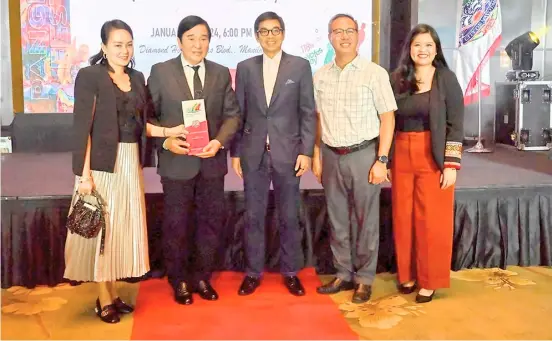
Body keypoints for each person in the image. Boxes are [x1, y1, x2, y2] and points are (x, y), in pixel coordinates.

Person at [65, 19, 187, 324]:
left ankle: (114, 291)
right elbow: (84, 128)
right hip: (101, 165)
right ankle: (103, 298)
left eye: (129, 44)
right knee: (102, 231)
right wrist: (83, 175)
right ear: (104, 47)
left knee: (119, 229)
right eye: (117, 45)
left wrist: (169, 131)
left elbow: (139, 125)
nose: (124, 50)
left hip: (130, 162)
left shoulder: (137, 76)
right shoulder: (90, 76)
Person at [147, 15, 241, 305]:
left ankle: (202, 276)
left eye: (203, 38)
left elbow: (232, 115)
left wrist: (219, 142)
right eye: (191, 38)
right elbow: (147, 117)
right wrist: (165, 141)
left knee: (210, 223)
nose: (198, 44)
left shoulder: (220, 72)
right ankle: (179, 280)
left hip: (211, 163)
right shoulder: (161, 72)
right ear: (179, 42)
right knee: (177, 224)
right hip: (177, 165)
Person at [230, 12, 316, 296]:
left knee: (289, 216)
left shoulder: (300, 66)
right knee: (253, 216)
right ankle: (253, 272)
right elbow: (238, 114)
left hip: (289, 154)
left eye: (275, 30)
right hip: (253, 154)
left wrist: (306, 151)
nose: (270, 36)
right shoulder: (245, 68)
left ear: (283, 33)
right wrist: (236, 153)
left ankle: (291, 271)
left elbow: (307, 112)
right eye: (264, 31)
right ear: (256, 36)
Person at [313, 14, 397, 303]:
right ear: (330, 37)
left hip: (364, 154)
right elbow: (318, 119)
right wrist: (316, 155)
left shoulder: (374, 73)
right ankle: (343, 273)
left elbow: (387, 118)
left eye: (349, 31)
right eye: (338, 31)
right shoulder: (320, 75)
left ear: (359, 35)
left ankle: (364, 278)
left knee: (365, 220)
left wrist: (382, 159)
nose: (344, 36)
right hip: (330, 155)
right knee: (337, 219)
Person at [389, 23, 464, 303]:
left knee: (431, 219)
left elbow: (456, 124)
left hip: (432, 155)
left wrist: (451, 165)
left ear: (436, 49)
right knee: (403, 216)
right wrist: (384, 158)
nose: (423, 50)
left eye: (428, 45)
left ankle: (429, 280)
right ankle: (407, 274)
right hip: (401, 153)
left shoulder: (446, 78)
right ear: (409, 49)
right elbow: (386, 120)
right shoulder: (396, 78)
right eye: (417, 45)